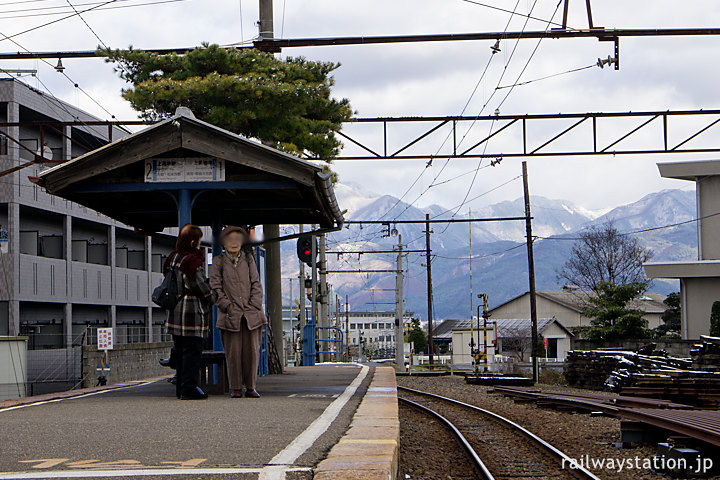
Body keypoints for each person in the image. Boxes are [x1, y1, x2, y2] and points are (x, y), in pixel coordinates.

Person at [210, 226, 267, 398]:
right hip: (230, 314)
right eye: (230, 239)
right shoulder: (218, 262)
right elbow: (215, 287)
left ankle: (251, 386)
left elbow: (256, 283)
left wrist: (254, 304)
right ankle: (235, 387)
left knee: (252, 351)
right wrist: (227, 305)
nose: (234, 243)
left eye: (237, 239)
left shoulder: (249, 259)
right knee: (233, 353)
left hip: (252, 314)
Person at [164, 224, 216, 400]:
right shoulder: (192, 261)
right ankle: (189, 388)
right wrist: (213, 295)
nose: (200, 244)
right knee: (192, 353)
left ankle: (180, 388)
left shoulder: (173, 258)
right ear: (193, 241)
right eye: (199, 240)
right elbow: (201, 287)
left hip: (175, 312)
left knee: (180, 352)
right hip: (192, 313)